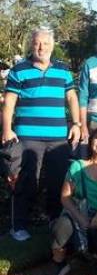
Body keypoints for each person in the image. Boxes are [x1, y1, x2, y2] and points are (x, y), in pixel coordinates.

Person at [2, 27, 80, 241]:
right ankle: (18, 225)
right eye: (37, 43)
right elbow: (9, 102)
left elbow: (72, 98)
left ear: (52, 46)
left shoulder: (63, 71)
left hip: (58, 138)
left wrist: (77, 123)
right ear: (31, 45)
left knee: (57, 182)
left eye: (46, 43)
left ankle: (54, 220)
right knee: (27, 181)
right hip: (28, 136)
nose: (41, 47)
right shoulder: (19, 70)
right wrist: (7, 129)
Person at [43, 127, 97, 275]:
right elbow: (65, 197)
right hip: (78, 211)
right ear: (91, 141)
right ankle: (59, 263)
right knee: (61, 228)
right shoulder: (78, 166)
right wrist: (80, 217)